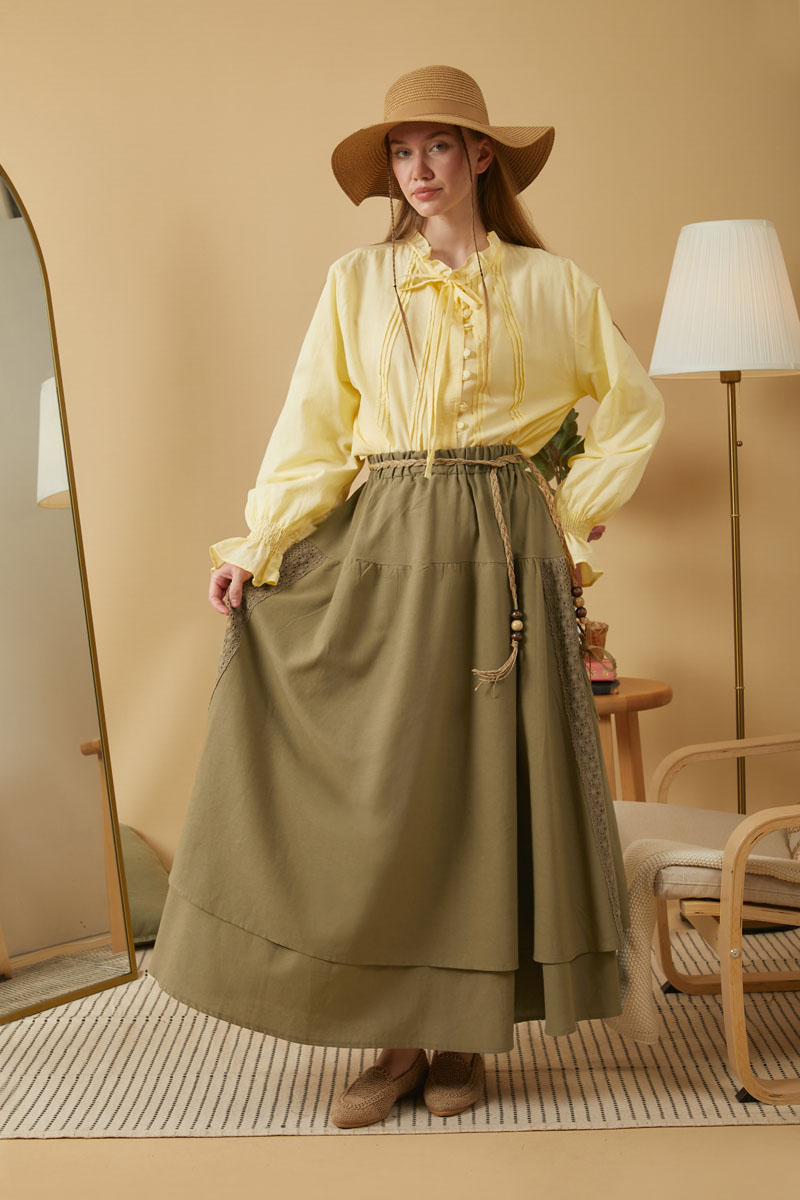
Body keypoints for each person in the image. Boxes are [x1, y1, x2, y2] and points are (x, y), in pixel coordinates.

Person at [148, 64, 665, 1130]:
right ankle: (392, 1042)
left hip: (502, 555)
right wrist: (259, 545)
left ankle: (462, 1039)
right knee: (391, 792)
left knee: (480, 795)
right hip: (384, 540)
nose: (416, 169)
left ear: (480, 155)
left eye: (436, 146)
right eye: (400, 151)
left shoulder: (554, 286)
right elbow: (313, 428)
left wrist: (566, 514)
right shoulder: (356, 281)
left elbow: (630, 410)